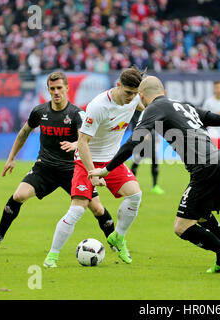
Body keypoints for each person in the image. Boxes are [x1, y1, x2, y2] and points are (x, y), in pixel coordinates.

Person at [88, 76, 220, 279]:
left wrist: (106, 170)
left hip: (204, 168)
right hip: (217, 163)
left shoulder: (154, 109)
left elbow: (134, 141)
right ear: (163, 91)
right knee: (203, 216)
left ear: (142, 95)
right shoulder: (184, 106)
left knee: (182, 227)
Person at [0, 72, 115, 247]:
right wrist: (11, 158)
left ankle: (114, 241)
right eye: (52, 89)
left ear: (66, 88)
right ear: (48, 90)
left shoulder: (76, 114)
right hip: (45, 167)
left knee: (97, 209)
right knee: (19, 195)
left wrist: (75, 144)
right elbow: (24, 133)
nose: (56, 92)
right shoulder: (40, 111)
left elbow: (84, 138)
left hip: (73, 170)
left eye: (59, 88)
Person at [43, 67, 146, 268]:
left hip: (111, 161)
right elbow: (82, 143)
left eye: (135, 93)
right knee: (77, 211)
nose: (131, 97)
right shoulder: (98, 106)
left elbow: (146, 105)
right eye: (128, 93)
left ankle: (118, 237)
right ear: (118, 86)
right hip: (86, 160)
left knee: (135, 195)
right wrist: (93, 174)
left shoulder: (133, 99)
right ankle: (52, 257)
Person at [129, 112, 165, 195]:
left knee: (155, 161)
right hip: (141, 138)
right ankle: (130, 184)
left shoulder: (150, 108)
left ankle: (155, 186)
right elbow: (134, 122)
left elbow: (154, 122)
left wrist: (156, 136)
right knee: (136, 161)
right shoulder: (136, 110)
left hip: (151, 137)